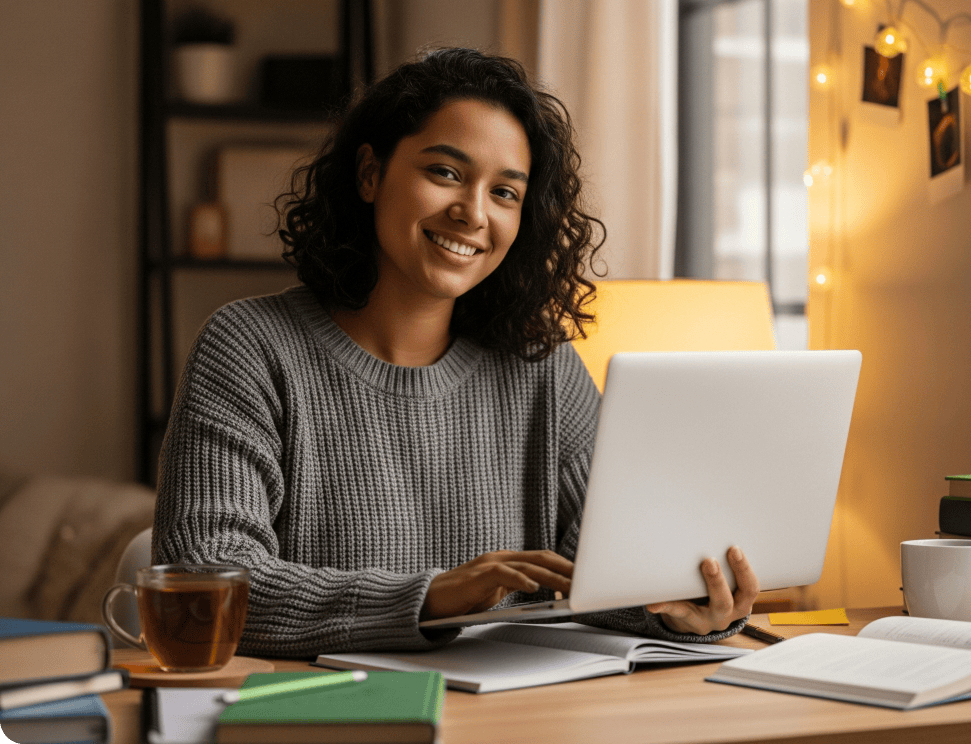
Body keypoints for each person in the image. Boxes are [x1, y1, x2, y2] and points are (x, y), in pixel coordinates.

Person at [152, 47, 759, 658]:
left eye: (505, 193)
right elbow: (205, 579)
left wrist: (681, 608)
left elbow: (595, 571)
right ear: (370, 174)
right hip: (336, 713)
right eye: (445, 173)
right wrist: (429, 597)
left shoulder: (540, 365)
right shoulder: (249, 347)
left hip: (520, 714)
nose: (473, 213)